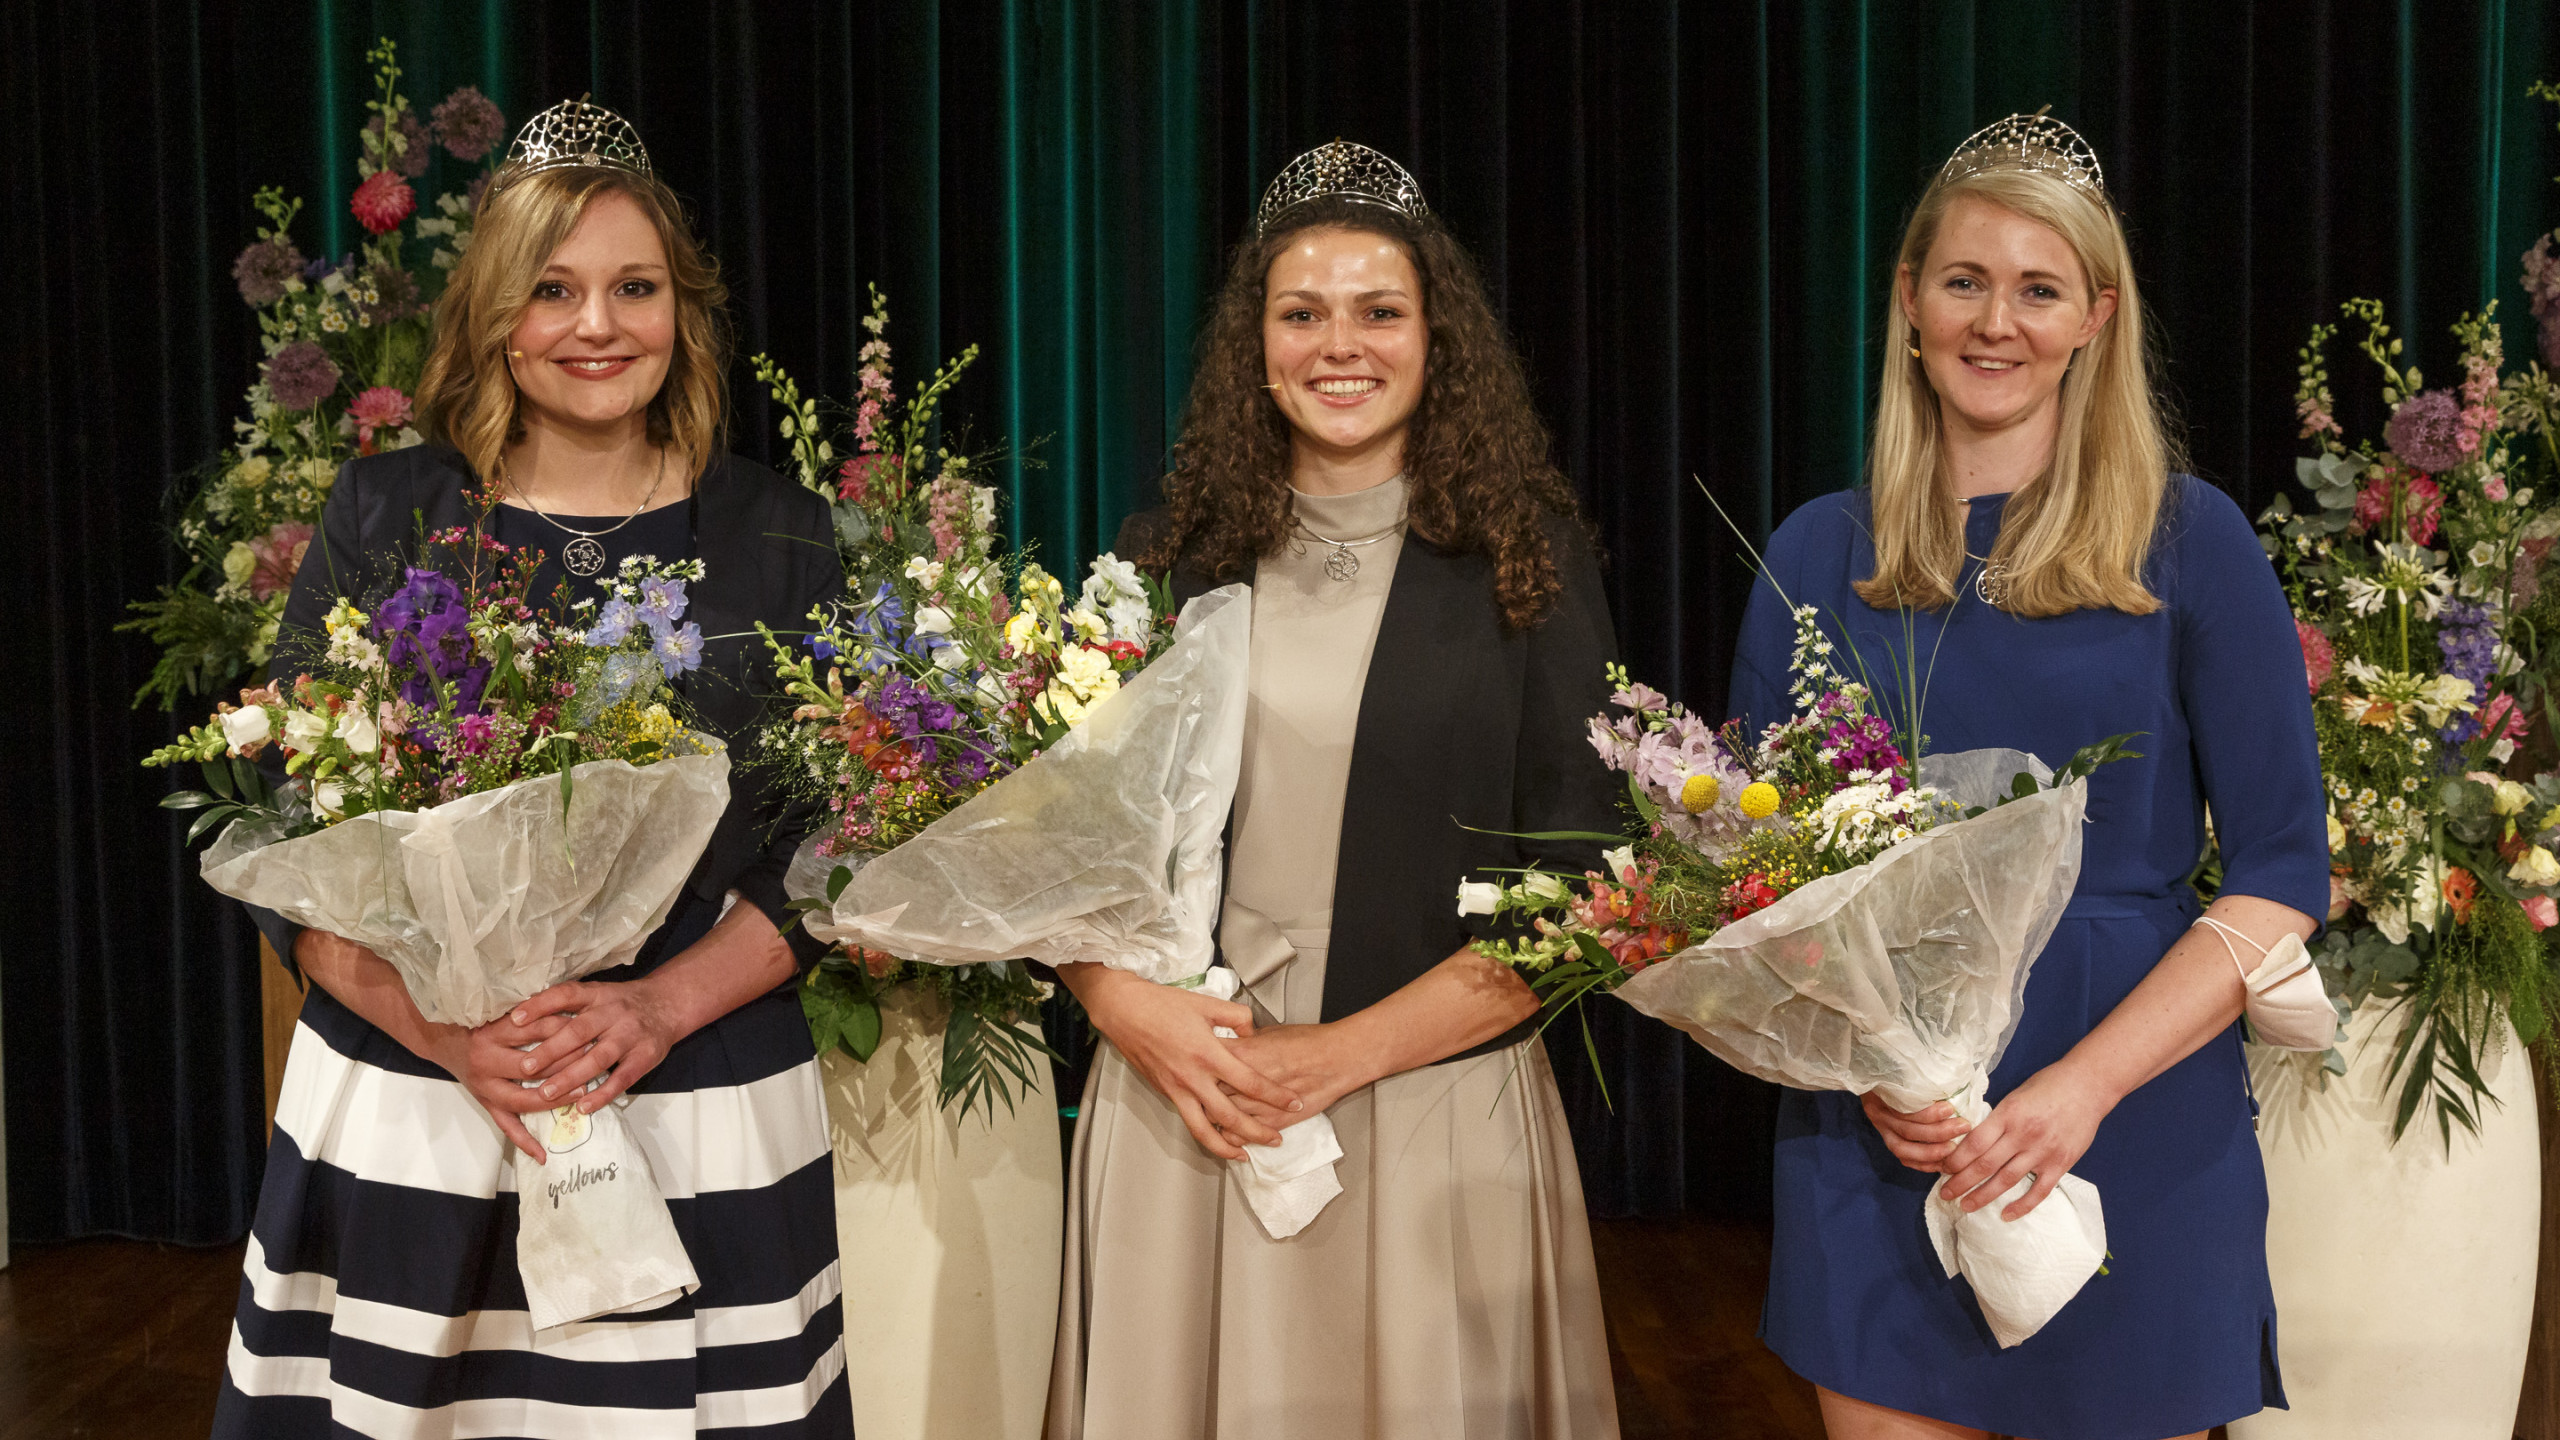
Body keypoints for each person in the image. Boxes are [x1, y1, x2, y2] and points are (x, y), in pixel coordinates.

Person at [212, 101, 852, 1438]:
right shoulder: (389, 515)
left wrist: (662, 1006)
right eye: (552, 290)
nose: (597, 326)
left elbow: (835, 846)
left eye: (635, 287)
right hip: (420, 1111)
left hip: (697, 1101)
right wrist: (440, 1028)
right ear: (497, 312)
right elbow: (281, 830)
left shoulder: (784, 538)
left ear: (685, 308)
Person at [1728, 114, 2328, 1440]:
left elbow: (2286, 871)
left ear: (2094, 318)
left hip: (2136, 1126)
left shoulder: (2191, 542)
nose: (1997, 322)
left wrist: (2086, 1088)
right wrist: (1887, 1074)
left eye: (2039, 289)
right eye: (1965, 282)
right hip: (1885, 1136)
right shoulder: (1818, 554)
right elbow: (1752, 886)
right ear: (1909, 302)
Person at [1042, 141, 1624, 1440]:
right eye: (1300, 313)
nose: (1337, 345)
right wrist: (1132, 1015)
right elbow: (1061, 858)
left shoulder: (1526, 563)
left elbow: (1588, 891)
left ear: (1438, 339)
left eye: (1379, 312)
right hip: (1184, 1103)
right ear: (1256, 342)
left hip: (1425, 1101)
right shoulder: (1167, 557)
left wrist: (1332, 1060)